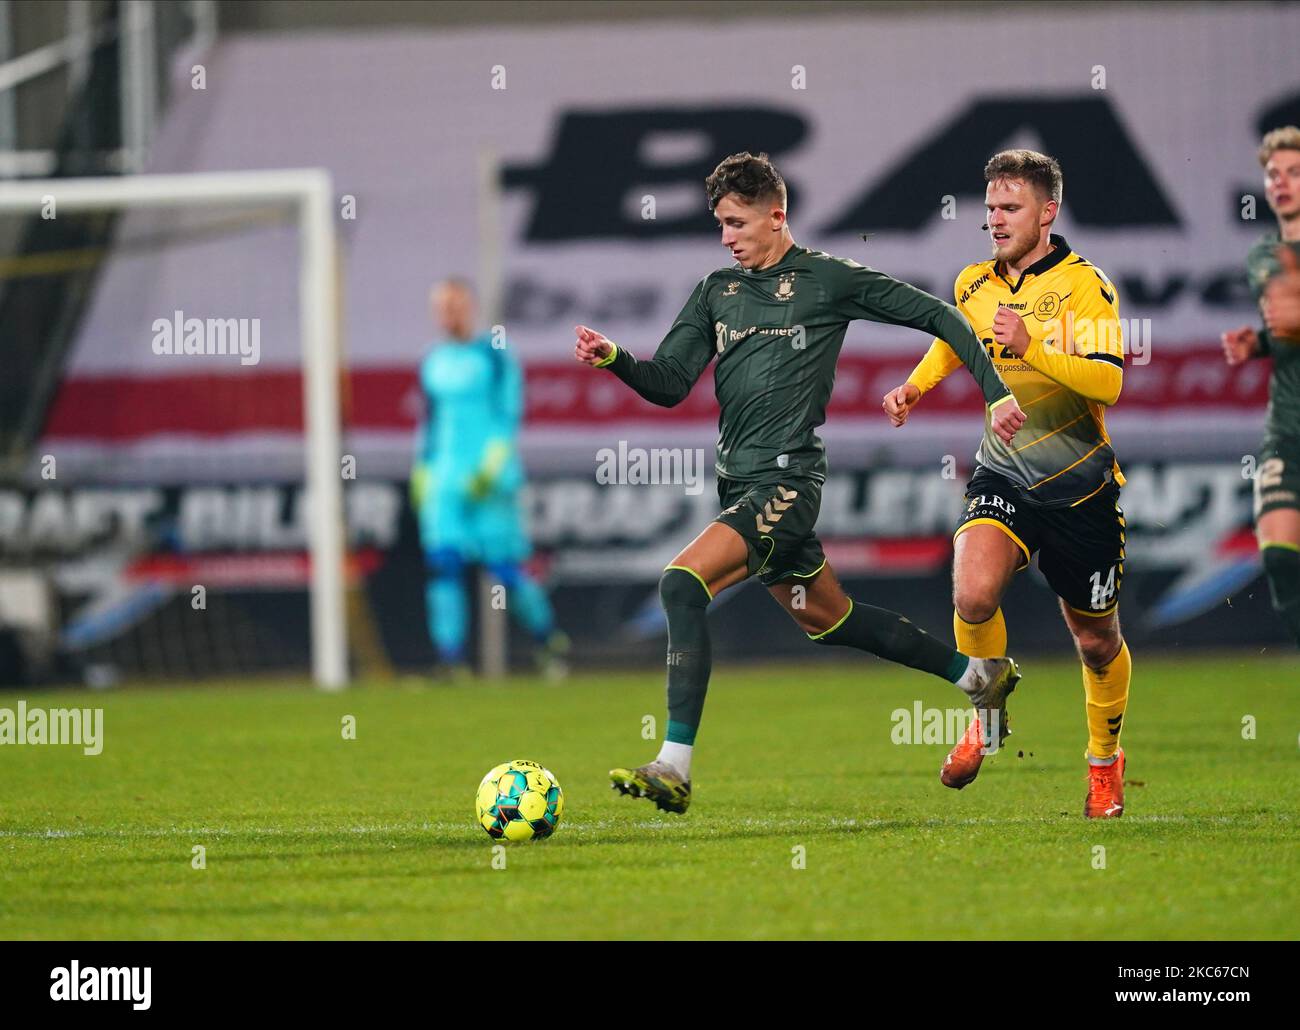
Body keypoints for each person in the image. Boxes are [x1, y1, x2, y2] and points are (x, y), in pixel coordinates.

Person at [575, 151, 1027, 814]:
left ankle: (674, 765)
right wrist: (615, 359)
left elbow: (939, 315)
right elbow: (670, 384)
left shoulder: (826, 281)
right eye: (720, 224)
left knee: (681, 584)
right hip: (740, 488)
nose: (726, 236)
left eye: (737, 222)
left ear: (777, 215)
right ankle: (977, 675)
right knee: (831, 618)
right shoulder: (715, 293)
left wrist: (994, 394)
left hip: (786, 486)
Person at [883, 149, 1130, 818]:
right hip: (1004, 473)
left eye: (1010, 207)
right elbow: (956, 341)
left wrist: (1033, 348)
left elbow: (1110, 379)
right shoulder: (974, 282)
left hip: (1079, 489)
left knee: (1096, 640)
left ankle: (1104, 762)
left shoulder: (1085, 285)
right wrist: (915, 386)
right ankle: (988, 715)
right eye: (990, 207)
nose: (995, 219)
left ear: (1047, 213)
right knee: (970, 593)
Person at [412, 278, 567, 679]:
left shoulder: (495, 353)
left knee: (506, 571)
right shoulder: (432, 360)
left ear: (471, 307)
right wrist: (422, 470)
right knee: (442, 566)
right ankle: (451, 659)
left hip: (491, 481)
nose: (448, 313)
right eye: (441, 306)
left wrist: (493, 465)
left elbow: (508, 415)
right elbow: (429, 422)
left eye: (455, 304)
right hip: (444, 480)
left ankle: (548, 641)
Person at [1221, 126, 1300, 647]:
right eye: (1274, 174)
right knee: (1278, 557)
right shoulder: (1263, 257)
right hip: (1287, 429)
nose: (1282, 183)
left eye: (1294, 172)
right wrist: (1262, 344)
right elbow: (1287, 332)